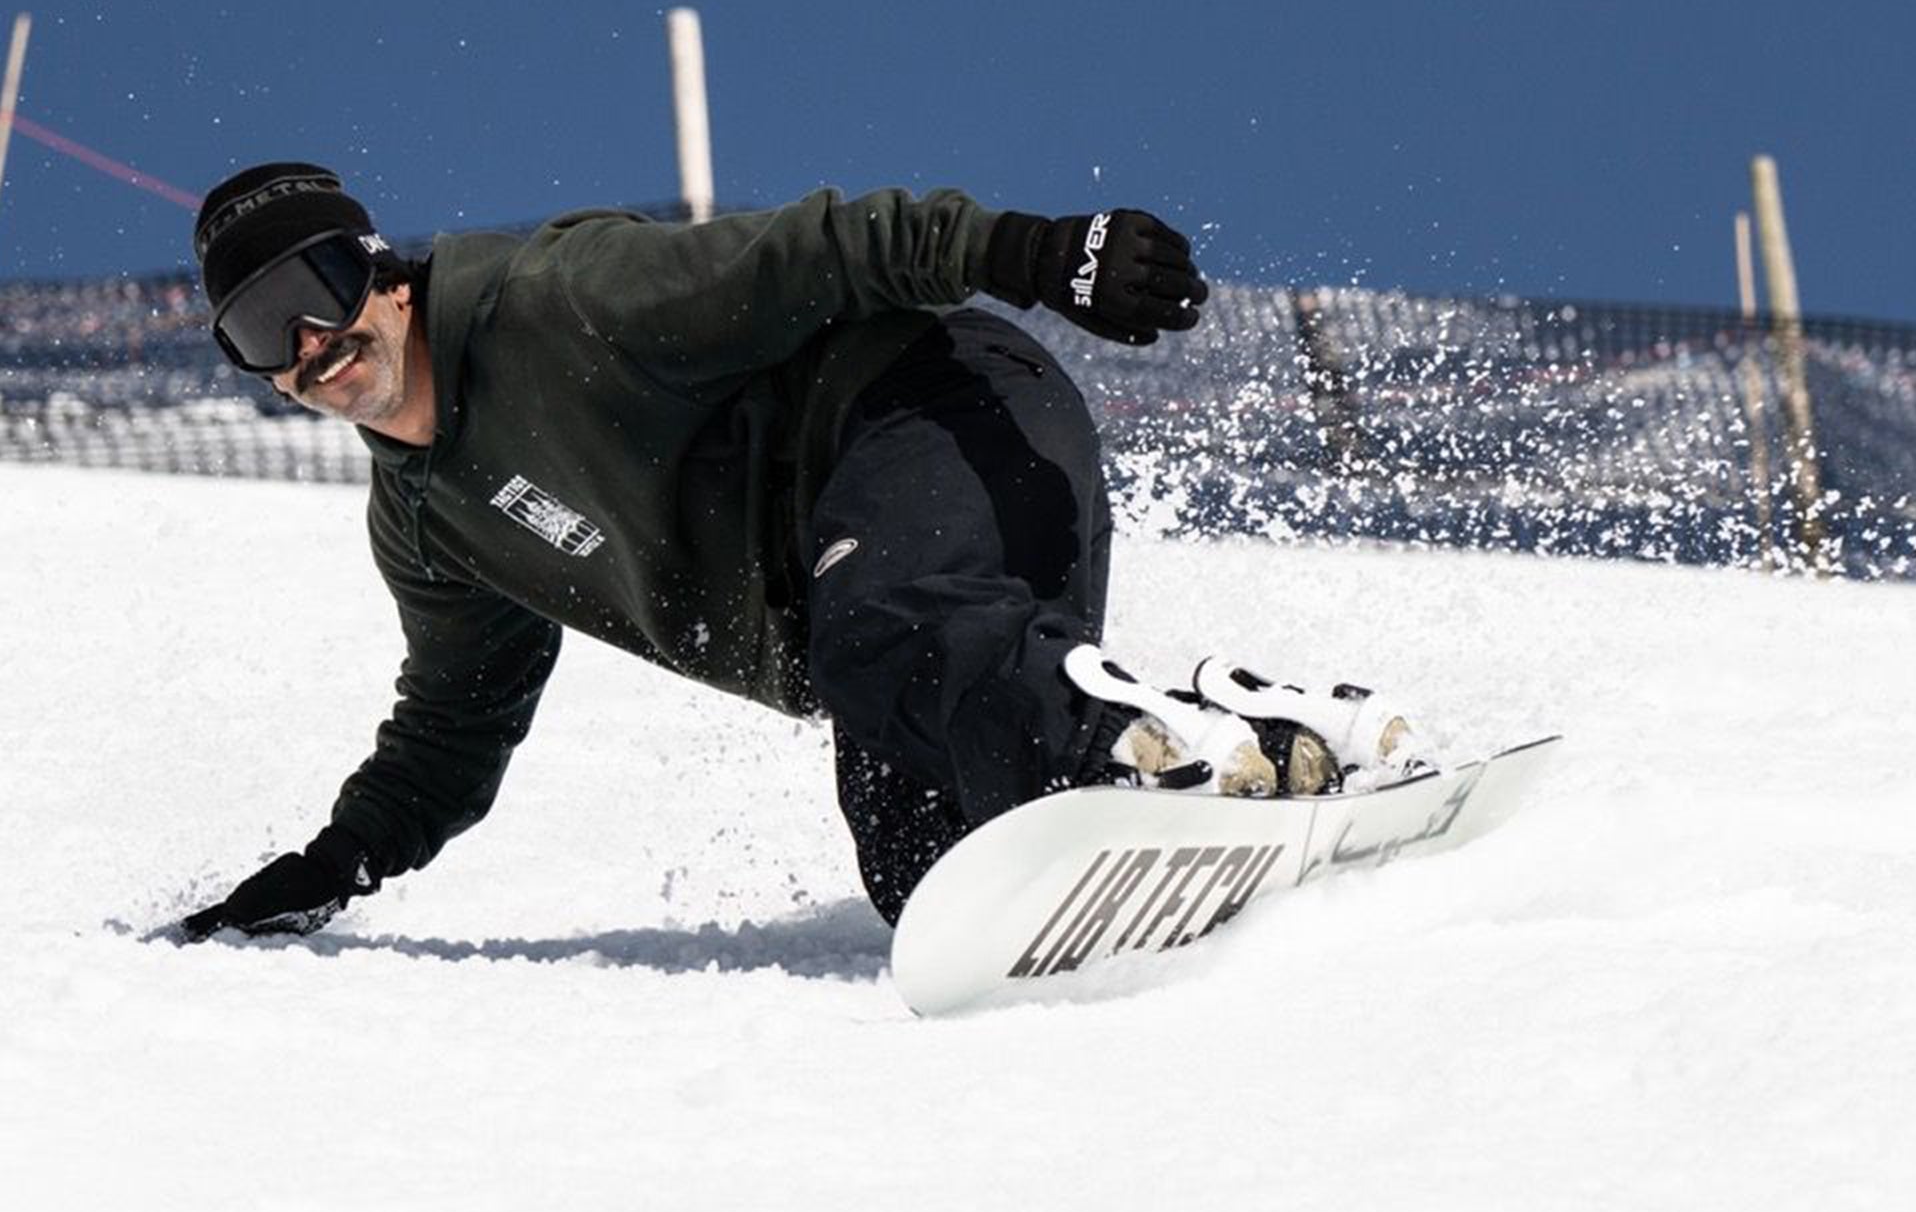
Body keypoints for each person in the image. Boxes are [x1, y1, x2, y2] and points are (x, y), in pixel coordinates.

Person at [179, 163, 1420, 943]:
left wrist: (1034, 254)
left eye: (320, 283)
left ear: (385, 275)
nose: (308, 340)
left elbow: (807, 251)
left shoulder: (555, 298)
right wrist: (335, 866)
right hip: (886, 594)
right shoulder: (426, 522)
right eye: (256, 331)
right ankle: (1266, 744)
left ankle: (1161, 742)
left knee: (887, 634)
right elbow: (453, 722)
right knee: (935, 879)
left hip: (934, 405)